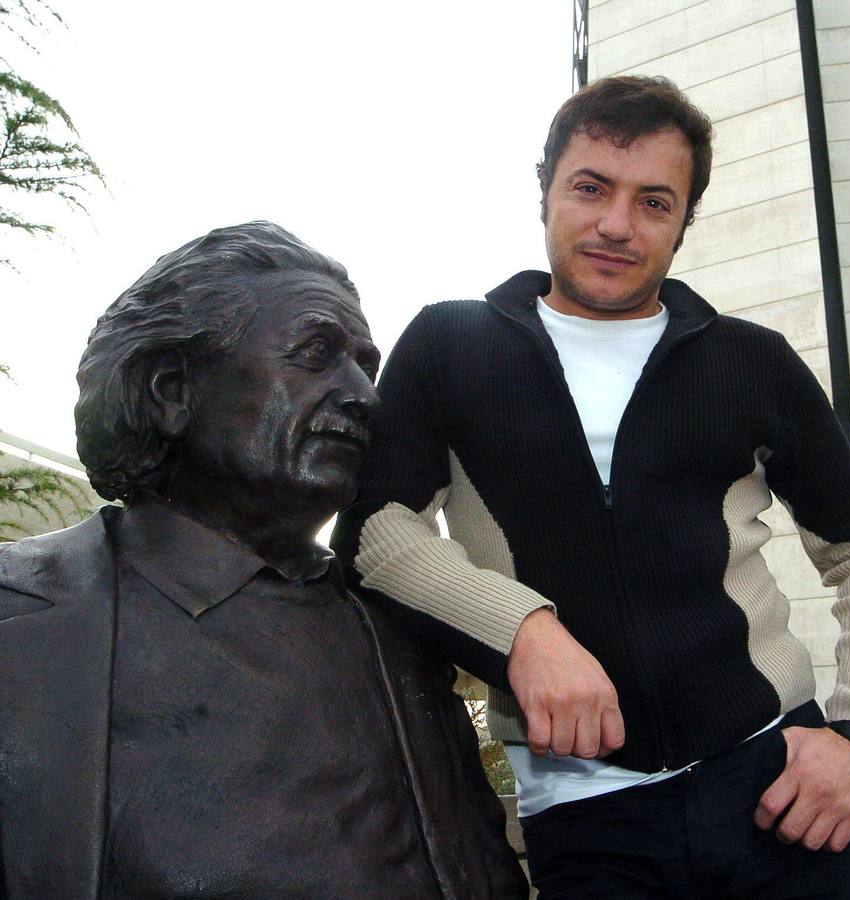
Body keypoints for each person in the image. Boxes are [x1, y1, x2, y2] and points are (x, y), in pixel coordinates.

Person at [334, 76, 850, 898]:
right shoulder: (449, 344)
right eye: (590, 188)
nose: (616, 224)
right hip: (585, 821)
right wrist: (524, 632)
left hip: (778, 792)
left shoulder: (749, 361)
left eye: (654, 202)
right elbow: (374, 532)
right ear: (544, 189)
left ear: (683, 225)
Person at [0, 222, 527, 898]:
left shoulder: (401, 638)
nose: (366, 396)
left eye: (366, 366)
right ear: (170, 391)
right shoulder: (20, 624)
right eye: (315, 352)